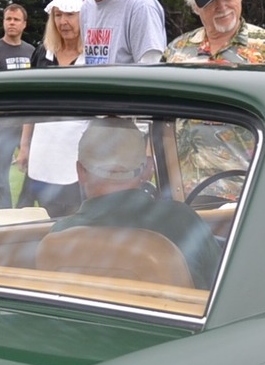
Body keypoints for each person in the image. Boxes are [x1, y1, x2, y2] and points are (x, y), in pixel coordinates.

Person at [49, 120, 219, 288]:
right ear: (148, 169)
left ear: (80, 171)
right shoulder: (183, 221)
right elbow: (225, 288)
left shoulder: (59, 236)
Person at [18, 0, 87, 216]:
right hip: (43, 151)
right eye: (58, 15)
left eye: (70, 14)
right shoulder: (42, 53)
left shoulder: (93, 56)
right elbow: (31, 102)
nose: (63, 21)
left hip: (77, 154)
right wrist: (25, 145)